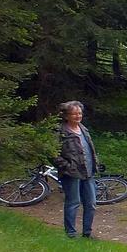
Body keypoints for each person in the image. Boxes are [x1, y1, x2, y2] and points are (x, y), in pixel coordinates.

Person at [54, 100, 99, 239]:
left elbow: (90, 149)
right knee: (73, 203)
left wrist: (95, 161)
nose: (78, 116)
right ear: (66, 115)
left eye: (79, 113)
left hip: (88, 171)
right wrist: (66, 166)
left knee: (91, 203)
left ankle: (87, 233)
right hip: (71, 173)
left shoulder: (83, 128)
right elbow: (53, 153)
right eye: (74, 114)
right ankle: (71, 234)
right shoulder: (60, 131)